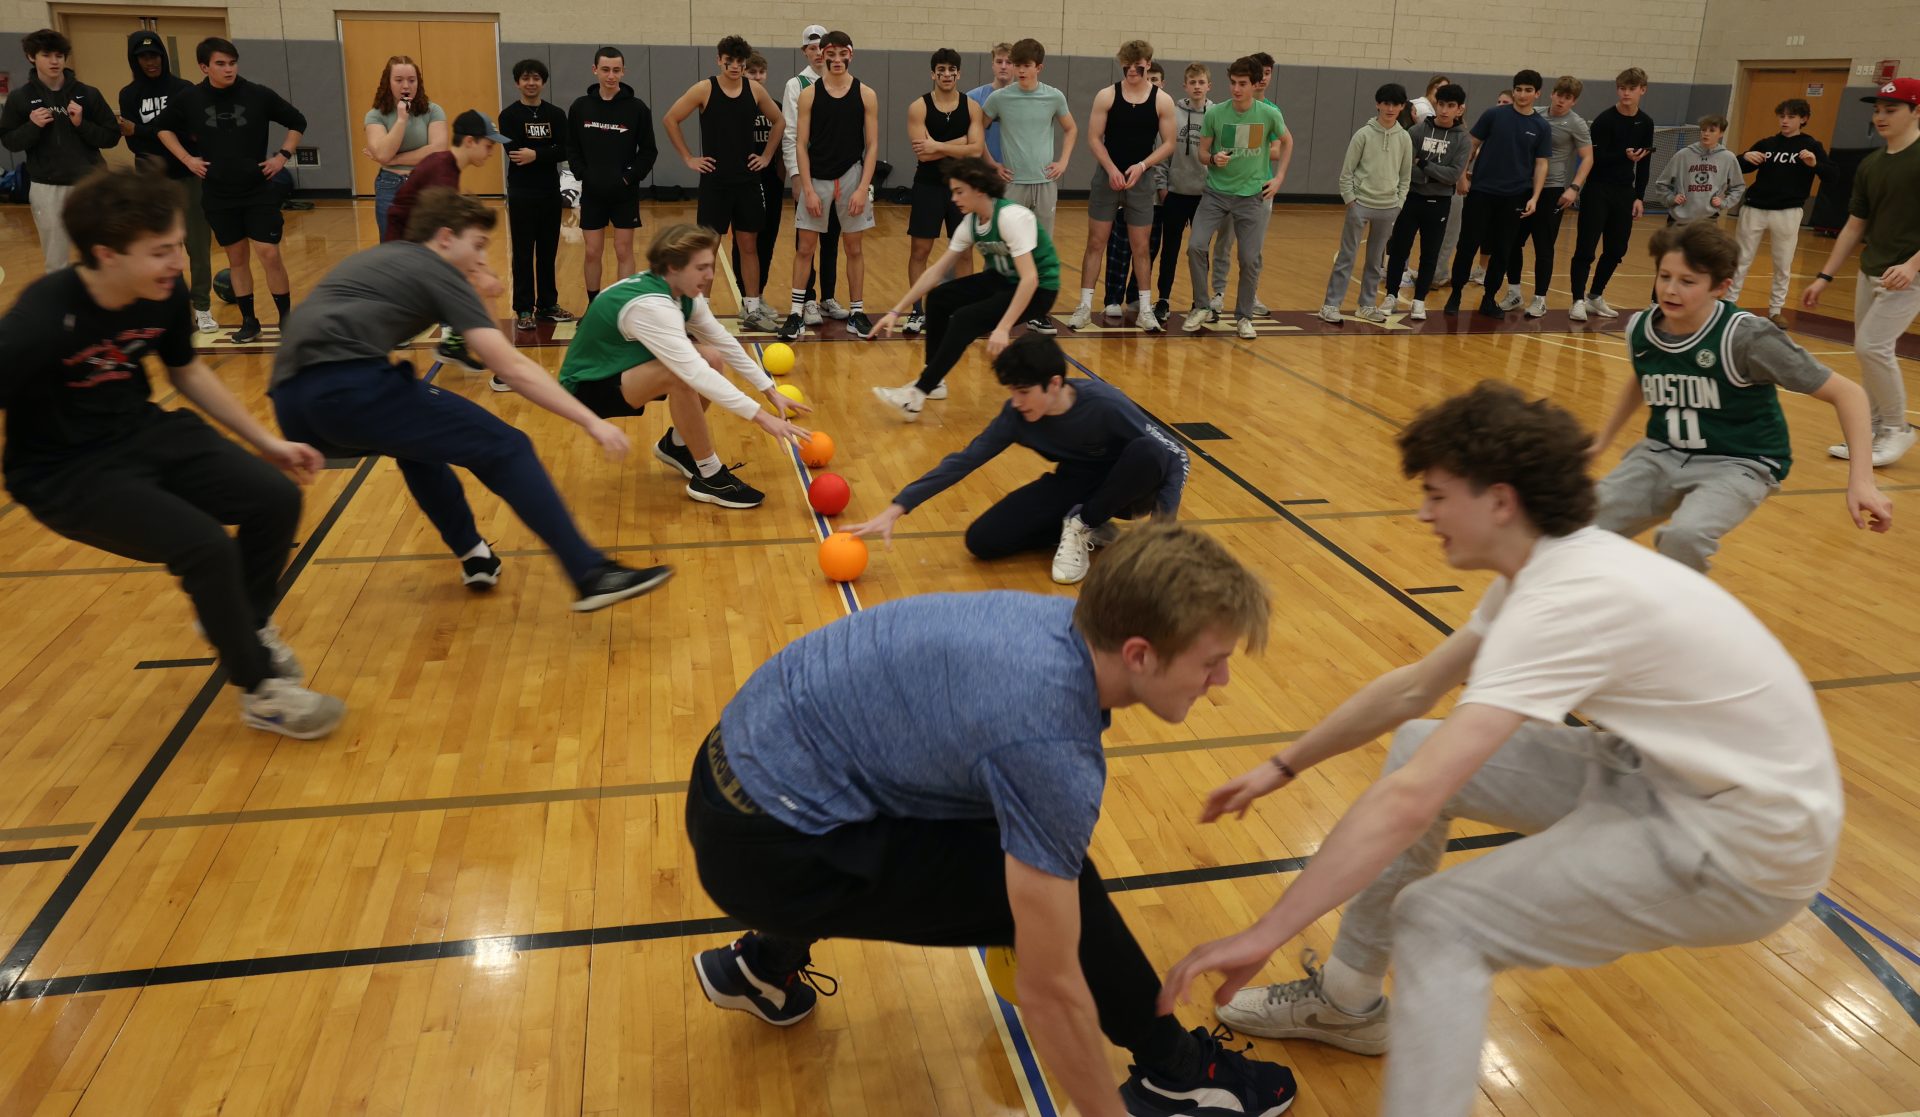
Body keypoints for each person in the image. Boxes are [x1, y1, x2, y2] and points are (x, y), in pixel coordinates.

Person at [1161, 379, 1844, 1117]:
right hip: (1665, 780)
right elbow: (1413, 692)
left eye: (1437, 494)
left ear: (1500, 500)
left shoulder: (1565, 598)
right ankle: (1347, 1001)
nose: (1423, 512)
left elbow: (1412, 800)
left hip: (1746, 845)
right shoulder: (1548, 568)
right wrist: (1281, 765)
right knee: (1418, 742)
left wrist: (1265, 932)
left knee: (1440, 921)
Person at [685, 523, 1298, 1117]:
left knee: (1012, 839)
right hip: (766, 851)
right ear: (1138, 654)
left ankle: (760, 968)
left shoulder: (1048, 624)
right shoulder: (1050, 744)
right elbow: (1049, 991)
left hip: (736, 768)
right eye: (1212, 661)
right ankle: (1181, 1077)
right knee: (1064, 895)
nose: (1222, 680)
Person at [0, 167, 342, 738]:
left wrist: (268, 443)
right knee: (205, 547)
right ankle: (261, 691)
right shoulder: (40, 319)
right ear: (107, 255)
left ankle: (243, 625)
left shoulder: (161, 292)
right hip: (65, 472)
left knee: (275, 498)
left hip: (142, 432)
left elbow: (184, 369)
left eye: (180, 246)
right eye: (161, 252)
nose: (179, 263)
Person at [269, 187, 671, 612]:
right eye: (477, 244)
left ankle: (473, 553)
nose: (482, 255)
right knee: (507, 446)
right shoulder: (436, 269)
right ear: (445, 238)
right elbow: (510, 366)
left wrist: (479, 282)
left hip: (292, 403)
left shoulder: (385, 259)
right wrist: (591, 421)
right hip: (350, 386)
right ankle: (592, 574)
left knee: (417, 449)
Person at [1589, 221, 1890, 572]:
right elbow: (1644, 377)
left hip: (1739, 461)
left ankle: (1686, 618)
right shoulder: (1641, 329)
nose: (1671, 289)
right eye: (1665, 276)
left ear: (1721, 287)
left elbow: (1850, 393)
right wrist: (1602, 441)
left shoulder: (1747, 337)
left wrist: (1862, 482)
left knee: (1683, 537)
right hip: (1662, 453)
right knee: (1579, 524)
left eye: (1688, 281)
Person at [851, 333, 1186, 583]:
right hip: (1073, 484)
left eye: (1023, 392)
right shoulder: (1015, 416)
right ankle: (1085, 522)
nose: (1016, 401)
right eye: (1012, 391)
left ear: (1053, 384)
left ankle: (1084, 524)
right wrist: (900, 506)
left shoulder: (1105, 403)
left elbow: (1175, 454)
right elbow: (965, 459)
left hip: (1128, 489)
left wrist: (1163, 534)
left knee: (1149, 449)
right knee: (983, 541)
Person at [557, 223, 811, 511]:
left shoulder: (682, 293)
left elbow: (724, 343)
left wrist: (770, 391)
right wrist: (763, 418)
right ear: (673, 267)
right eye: (701, 267)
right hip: (587, 387)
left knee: (712, 357)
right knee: (680, 375)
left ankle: (677, 445)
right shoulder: (652, 306)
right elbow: (694, 374)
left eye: (710, 266)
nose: (710, 275)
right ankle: (710, 475)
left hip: (622, 367)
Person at [868, 157, 1062, 421]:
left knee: (965, 319)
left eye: (959, 191)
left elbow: (1029, 279)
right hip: (1003, 279)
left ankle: (917, 394)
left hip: (1039, 289)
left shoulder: (1011, 218)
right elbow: (936, 272)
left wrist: (1003, 327)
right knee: (939, 297)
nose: (954, 198)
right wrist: (895, 310)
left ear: (980, 189)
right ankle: (933, 381)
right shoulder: (971, 223)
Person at [154, 37, 305, 345]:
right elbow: (162, 127)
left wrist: (282, 156)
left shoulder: (257, 95)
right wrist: (186, 159)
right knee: (236, 258)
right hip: (218, 193)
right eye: (220, 64)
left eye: (232, 63)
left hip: (257, 189)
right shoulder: (190, 98)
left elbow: (297, 121)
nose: (228, 69)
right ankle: (250, 322)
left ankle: (287, 319)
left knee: (269, 253)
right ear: (204, 67)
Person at [1803, 77, 1920, 468]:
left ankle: (1896, 429)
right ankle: (1871, 432)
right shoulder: (1871, 164)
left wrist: (1912, 264)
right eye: (1877, 109)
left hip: (1911, 273)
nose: (1881, 116)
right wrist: (1825, 276)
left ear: (1916, 111)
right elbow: (1855, 224)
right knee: (1868, 352)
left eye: (1892, 109)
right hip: (1873, 270)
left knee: (1872, 347)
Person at [663, 35, 786, 333]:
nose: (734, 66)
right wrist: (689, 158)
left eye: (739, 62)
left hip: (747, 181)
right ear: (719, 60)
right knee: (707, 249)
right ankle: (700, 315)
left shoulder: (754, 89)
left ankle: (752, 309)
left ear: (744, 62)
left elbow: (779, 121)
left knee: (749, 245)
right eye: (729, 61)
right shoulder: (705, 88)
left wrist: (767, 155)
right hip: (715, 183)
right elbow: (670, 119)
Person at [380, 109, 509, 376]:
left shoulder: (446, 165)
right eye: (488, 145)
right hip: (404, 251)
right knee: (469, 284)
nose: (491, 152)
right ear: (470, 142)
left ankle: (462, 345)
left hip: (412, 246)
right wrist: (479, 272)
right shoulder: (443, 173)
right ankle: (503, 368)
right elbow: (444, 232)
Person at [1066, 40, 1175, 334]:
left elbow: (1169, 143)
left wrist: (1143, 165)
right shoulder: (1107, 95)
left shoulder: (1161, 100)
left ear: (1148, 64)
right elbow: (1093, 138)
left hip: (1141, 180)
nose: (1132, 73)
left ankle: (1145, 309)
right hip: (1108, 177)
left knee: (1141, 247)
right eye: (1126, 67)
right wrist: (1112, 169)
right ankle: (1085, 307)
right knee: (1096, 242)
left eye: (1138, 68)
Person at [780, 30, 880, 341]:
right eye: (830, 54)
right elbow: (800, 144)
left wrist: (863, 187)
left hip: (851, 176)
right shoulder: (809, 93)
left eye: (842, 54)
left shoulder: (866, 93)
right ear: (821, 56)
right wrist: (807, 188)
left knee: (854, 247)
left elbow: (873, 144)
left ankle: (857, 312)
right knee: (805, 248)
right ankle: (796, 314)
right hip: (818, 178)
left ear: (851, 55)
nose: (837, 60)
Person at [1181, 57, 1288, 340]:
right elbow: (1202, 153)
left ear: (1255, 85)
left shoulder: (1268, 114)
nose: (1236, 89)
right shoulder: (1216, 114)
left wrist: (1278, 178)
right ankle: (1202, 306)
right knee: (1195, 246)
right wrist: (1212, 158)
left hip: (1251, 198)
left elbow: (1287, 142)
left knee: (1250, 258)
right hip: (1215, 195)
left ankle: (1244, 316)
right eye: (1233, 83)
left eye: (1243, 84)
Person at [116, 30, 215, 334]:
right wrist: (160, 135)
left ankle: (202, 307)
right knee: (157, 249)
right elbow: (134, 145)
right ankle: (166, 308)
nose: (151, 62)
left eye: (155, 55)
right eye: (144, 57)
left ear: (163, 56)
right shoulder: (128, 94)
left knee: (198, 246)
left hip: (189, 177)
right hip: (152, 184)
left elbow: (192, 135)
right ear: (135, 61)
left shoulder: (184, 89)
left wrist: (144, 131)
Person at [2, 29, 119, 273]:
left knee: (105, 252)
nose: (55, 61)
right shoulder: (20, 98)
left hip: (91, 183)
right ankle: (61, 310)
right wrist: (32, 126)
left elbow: (111, 136)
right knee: (56, 260)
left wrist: (82, 124)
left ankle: (106, 306)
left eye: (59, 55)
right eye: (47, 55)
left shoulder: (88, 94)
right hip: (47, 186)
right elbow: (10, 141)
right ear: (31, 57)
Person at [1443, 70, 1549, 319]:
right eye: (1519, 89)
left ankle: (1489, 298)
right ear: (1514, 91)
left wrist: (1534, 197)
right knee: (1467, 245)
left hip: (1514, 197)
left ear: (1537, 93)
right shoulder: (1494, 115)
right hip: (1481, 192)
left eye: (1528, 90)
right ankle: (1455, 293)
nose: (1522, 94)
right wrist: (1461, 175)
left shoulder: (1540, 126)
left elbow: (1541, 163)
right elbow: (1471, 144)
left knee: (1503, 249)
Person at [902, 47, 984, 336]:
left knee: (963, 251)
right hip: (928, 186)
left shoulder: (972, 107)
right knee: (920, 250)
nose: (946, 75)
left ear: (959, 73)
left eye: (952, 70)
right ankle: (916, 311)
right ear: (933, 73)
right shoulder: (919, 107)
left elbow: (976, 150)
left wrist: (938, 145)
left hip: (962, 189)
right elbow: (923, 156)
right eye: (941, 70)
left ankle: (964, 312)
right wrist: (959, 143)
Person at [567, 46, 657, 305]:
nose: (611, 75)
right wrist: (583, 173)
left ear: (623, 71)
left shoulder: (637, 108)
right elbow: (571, 147)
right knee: (593, 251)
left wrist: (629, 178)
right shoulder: (580, 107)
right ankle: (594, 308)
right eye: (605, 69)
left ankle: (622, 307)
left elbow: (649, 151)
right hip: (593, 193)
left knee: (623, 250)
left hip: (624, 193)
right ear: (595, 70)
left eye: (616, 70)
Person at [1729, 97, 1830, 325]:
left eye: (1791, 116)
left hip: (1788, 211)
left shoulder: (1811, 146)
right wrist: (1744, 157)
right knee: (1740, 259)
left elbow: (1832, 175)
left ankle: (1775, 310)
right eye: (1782, 116)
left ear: (1803, 119)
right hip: (1755, 208)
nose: (1785, 121)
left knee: (1782, 263)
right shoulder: (1767, 144)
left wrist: (1815, 164)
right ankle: (1729, 303)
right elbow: (1736, 167)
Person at [1318, 83, 1412, 324]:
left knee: (1374, 261)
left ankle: (1367, 305)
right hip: (1360, 205)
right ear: (1378, 104)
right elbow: (1346, 172)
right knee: (1347, 256)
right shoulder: (1363, 134)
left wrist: (1398, 203)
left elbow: (1405, 176)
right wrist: (1351, 201)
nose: (1390, 108)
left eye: (1396, 104)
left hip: (1388, 207)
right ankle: (1330, 305)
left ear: (1402, 107)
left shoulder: (1404, 138)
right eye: (1386, 103)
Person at [1499, 75, 1592, 318]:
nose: (1562, 100)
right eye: (1559, 95)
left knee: (1544, 246)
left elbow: (1588, 158)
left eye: (1568, 97)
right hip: (1522, 186)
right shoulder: (1536, 114)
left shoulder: (1576, 124)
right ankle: (1514, 291)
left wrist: (1574, 187)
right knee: (1512, 242)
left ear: (1574, 101)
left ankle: (1540, 299)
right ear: (1551, 94)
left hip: (1552, 190)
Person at [1567, 68, 1655, 322]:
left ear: (1642, 90)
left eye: (1631, 88)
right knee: (1586, 247)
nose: (1626, 93)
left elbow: (1645, 163)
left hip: (1624, 192)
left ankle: (1595, 295)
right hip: (1598, 189)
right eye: (1622, 88)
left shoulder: (1646, 122)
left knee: (1617, 249)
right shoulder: (1605, 120)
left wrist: (1639, 195)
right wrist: (1624, 156)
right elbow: (1594, 158)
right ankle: (1577, 300)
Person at [1382, 83, 1468, 322]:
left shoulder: (1462, 140)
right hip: (1411, 198)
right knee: (1399, 249)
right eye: (1441, 104)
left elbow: (1452, 176)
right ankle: (1390, 295)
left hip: (1439, 202)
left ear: (1459, 109)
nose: (1444, 110)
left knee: (1430, 253)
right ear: (1435, 105)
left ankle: (1419, 301)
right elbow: (1404, 168)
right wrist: (1430, 173)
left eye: (1451, 106)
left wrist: (1423, 164)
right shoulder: (1417, 132)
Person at [499, 58, 574, 332]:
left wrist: (536, 154)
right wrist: (545, 152)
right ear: (518, 82)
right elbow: (515, 154)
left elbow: (564, 150)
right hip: (521, 192)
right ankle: (523, 308)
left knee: (547, 250)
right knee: (522, 252)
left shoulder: (556, 114)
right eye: (526, 78)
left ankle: (547, 304)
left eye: (536, 78)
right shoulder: (508, 116)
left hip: (548, 192)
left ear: (543, 82)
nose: (531, 83)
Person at [981, 38, 1076, 241]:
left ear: (1039, 67)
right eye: (1017, 65)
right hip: (1013, 182)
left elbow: (1071, 129)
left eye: (1027, 65)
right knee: (1006, 244)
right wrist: (992, 164)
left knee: (1041, 245)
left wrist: (1063, 162)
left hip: (1045, 182)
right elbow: (977, 130)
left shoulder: (1054, 96)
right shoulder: (999, 98)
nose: (1021, 70)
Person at [781, 25, 845, 328]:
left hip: (838, 177)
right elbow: (791, 133)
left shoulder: (843, 82)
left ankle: (828, 297)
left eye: (823, 47)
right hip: (810, 174)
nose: (818, 53)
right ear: (804, 51)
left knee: (832, 238)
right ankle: (807, 299)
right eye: (812, 48)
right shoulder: (797, 84)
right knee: (806, 241)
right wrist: (795, 175)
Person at [1157, 63, 1225, 322]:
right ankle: (1163, 299)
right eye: (1192, 82)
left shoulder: (1217, 114)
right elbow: (1162, 150)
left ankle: (1201, 302)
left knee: (1199, 251)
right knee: (1170, 249)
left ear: (1209, 85)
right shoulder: (1173, 112)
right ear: (1185, 85)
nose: (1197, 86)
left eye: (1201, 82)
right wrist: (1162, 186)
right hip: (1175, 192)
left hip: (1205, 196)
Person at [362, 55, 447, 241]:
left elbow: (438, 150)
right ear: (388, 83)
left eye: (411, 80)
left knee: (427, 245)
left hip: (425, 184)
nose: (406, 86)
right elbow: (384, 154)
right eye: (399, 80)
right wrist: (401, 119)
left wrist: (395, 159)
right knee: (391, 247)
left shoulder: (433, 111)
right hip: (390, 186)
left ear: (419, 82)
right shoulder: (375, 115)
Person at [732, 51, 786, 321]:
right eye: (751, 72)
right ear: (743, 73)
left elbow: (782, 140)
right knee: (744, 241)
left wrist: (779, 169)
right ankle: (745, 297)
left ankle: (759, 294)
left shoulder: (773, 104)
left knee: (767, 239)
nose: (757, 77)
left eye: (760, 72)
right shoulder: (736, 104)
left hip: (771, 182)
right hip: (743, 181)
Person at [1650, 113, 1743, 227]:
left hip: (1708, 220)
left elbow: (1738, 187)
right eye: (1704, 130)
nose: (1706, 133)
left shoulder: (1728, 158)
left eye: (1712, 130)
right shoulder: (1683, 155)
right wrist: (1671, 198)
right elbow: (1661, 184)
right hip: (1679, 219)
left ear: (1721, 133)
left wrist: (1724, 203)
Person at [966, 42, 1013, 167]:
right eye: (999, 62)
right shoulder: (972, 97)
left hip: (1015, 172)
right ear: (992, 65)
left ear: (1016, 66)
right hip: (982, 171)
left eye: (1008, 62)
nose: (1003, 66)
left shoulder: (1024, 99)